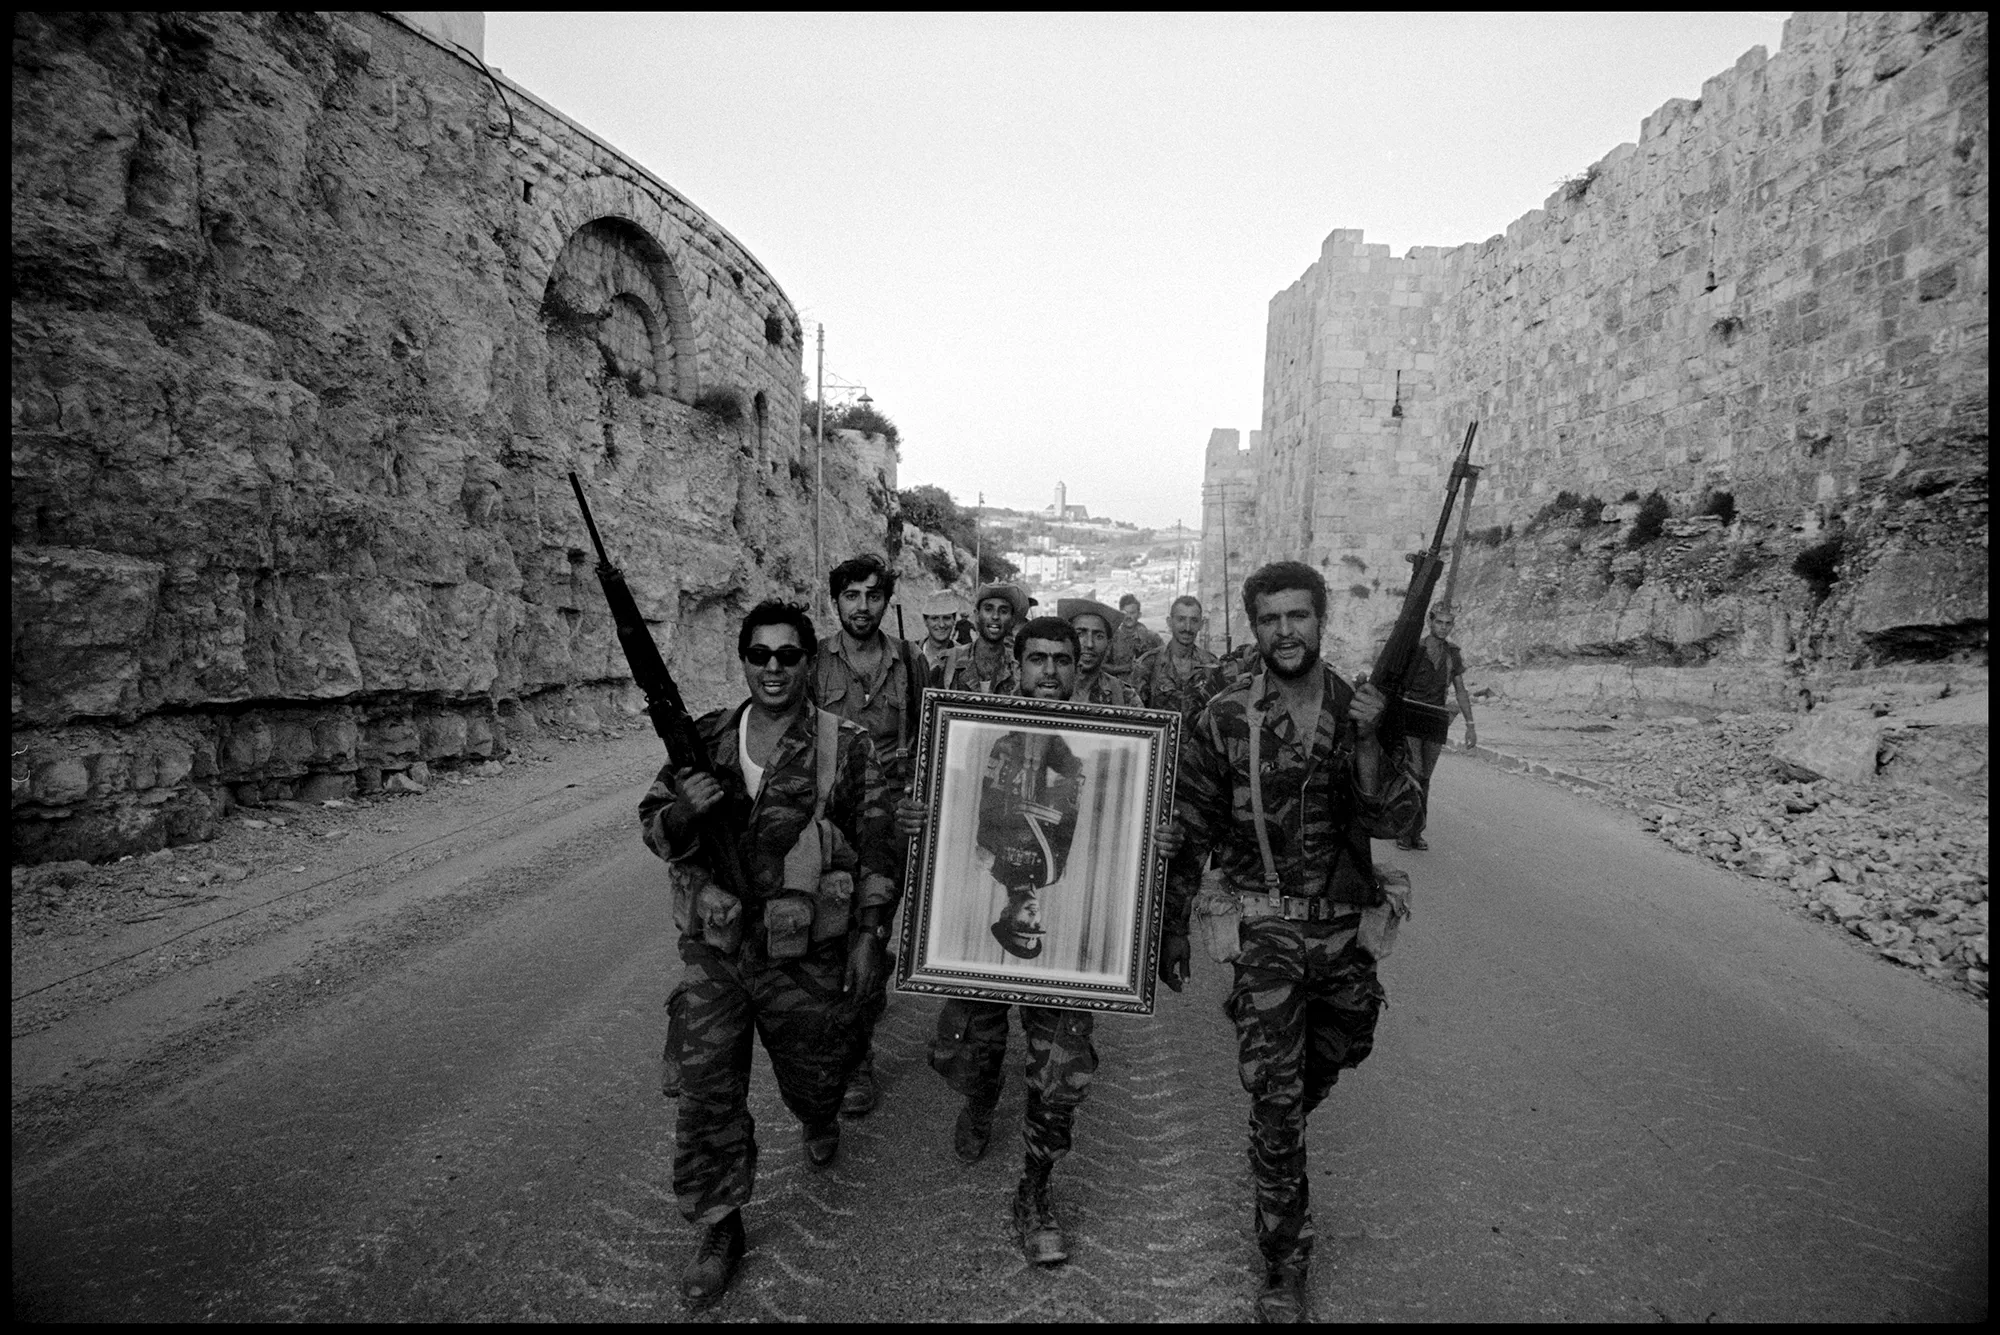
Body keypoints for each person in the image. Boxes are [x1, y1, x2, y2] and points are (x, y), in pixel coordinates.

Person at [1161, 562, 1420, 1323]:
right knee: (1276, 1102)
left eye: (1299, 616)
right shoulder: (1223, 717)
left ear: (1321, 618)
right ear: (1253, 626)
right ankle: (1283, 1257)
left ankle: (1282, 1129)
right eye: (1270, 618)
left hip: (1344, 928)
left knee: (1339, 1048)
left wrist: (1372, 741)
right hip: (1265, 925)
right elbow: (1194, 827)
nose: (1285, 631)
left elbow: (1399, 818)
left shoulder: (1362, 707)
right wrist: (1173, 923)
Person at [638, 601, 899, 1310]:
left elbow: (879, 844)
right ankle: (722, 1224)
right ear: (744, 658)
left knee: (819, 1079)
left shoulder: (843, 744)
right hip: (719, 950)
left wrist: (871, 936)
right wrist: (683, 812)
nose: (774, 668)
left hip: (802, 952)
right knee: (706, 1086)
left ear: (808, 661)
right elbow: (654, 829)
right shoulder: (706, 738)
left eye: (789, 655)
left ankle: (817, 1113)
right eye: (761, 654)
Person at [898, 616, 1182, 1267]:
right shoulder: (978, 736)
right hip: (977, 929)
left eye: (1061, 659)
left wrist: (1157, 841)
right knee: (961, 1052)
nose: (1049, 672)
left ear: (1076, 666)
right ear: (1016, 665)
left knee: (1060, 1075)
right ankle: (979, 1096)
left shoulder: (1100, 750)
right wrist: (918, 815)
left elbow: (1121, 836)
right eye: (1037, 659)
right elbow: (947, 819)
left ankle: (1035, 1189)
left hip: (1063, 945)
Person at [814, 554, 929, 1115]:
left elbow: (934, 735)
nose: (863, 607)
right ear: (835, 600)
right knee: (841, 934)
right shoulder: (813, 662)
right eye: (852, 595)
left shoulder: (909, 660)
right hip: (835, 820)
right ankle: (854, 1061)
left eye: (873, 595)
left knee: (874, 927)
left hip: (893, 823)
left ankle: (860, 1024)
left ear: (887, 599)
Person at [1396, 604, 1475, 852]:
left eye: (1448, 623)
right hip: (1411, 713)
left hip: (1435, 718)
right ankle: (1403, 829)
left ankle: (1416, 832)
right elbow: (1398, 682)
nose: (1443, 627)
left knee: (1426, 777)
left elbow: (1460, 690)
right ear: (1431, 622)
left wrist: (1470, 725)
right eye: (1439, 622)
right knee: (1414, 772)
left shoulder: (1453, 654)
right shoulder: (1416, 649)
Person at [931, 582, 1030, 696]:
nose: (995, 616)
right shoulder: (946, 662)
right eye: (988, 609)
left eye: (1003, 611)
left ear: (1012, 620)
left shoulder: (1019, 670)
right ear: (977, 615)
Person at [1129, 594, 1219, 718]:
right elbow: (1134, 715)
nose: (1187, 628)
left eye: (1194, 621)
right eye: (1181, 619)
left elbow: (1217, 714)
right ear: (1170, 622)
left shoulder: (1212, 665)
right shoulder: (1148, 664)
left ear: (1201, 624)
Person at [1057, 597, 1139, 705]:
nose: (1089, 644)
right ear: (1065, 640)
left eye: (1099, 636)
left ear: (1108, 644)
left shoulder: (1124, 696)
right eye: (1080, 634)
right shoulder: (1048, 687)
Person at [1106, 593, 1164, 679]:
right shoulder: (1112, 637)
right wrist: (1125, 668)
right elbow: (1101, 666)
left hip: (1145, 688)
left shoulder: (1151, 637)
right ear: (1120, 614)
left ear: (1139, 615)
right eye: (1125, 613)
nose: (1128, 616)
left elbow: (1165, 655)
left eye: (1132, 613)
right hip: (1119, 687)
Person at [916, 591, 961, 678]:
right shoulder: (912, 653)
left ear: (954, 620)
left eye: (946, 618)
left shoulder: (963, 657)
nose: (941, 624)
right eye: (934, 618)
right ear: (925, 621)